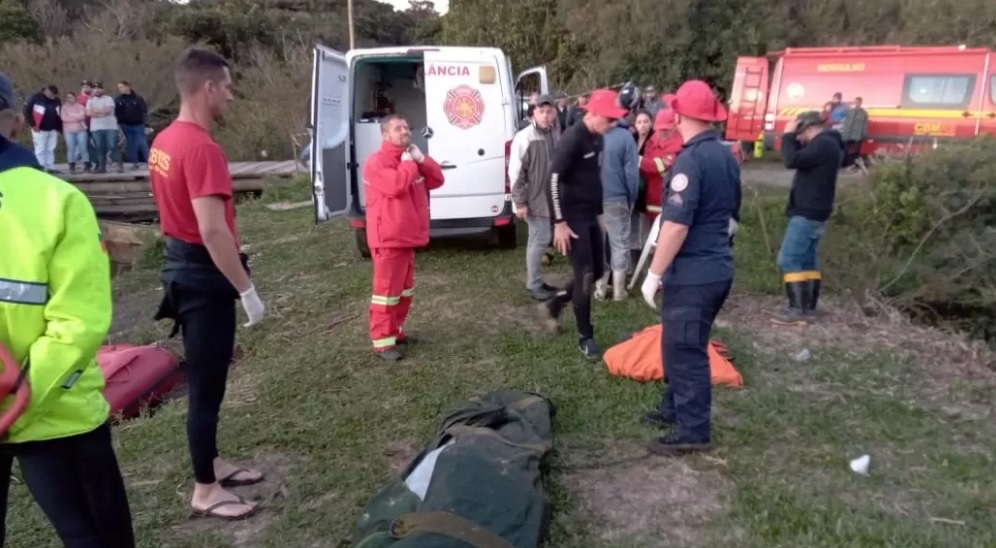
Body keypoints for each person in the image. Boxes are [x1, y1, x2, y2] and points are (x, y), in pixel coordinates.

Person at [0, 70, 136, 547]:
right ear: (16, 123)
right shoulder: (57, 200)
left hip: (38, 406)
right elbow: (78, 321)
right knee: (93, 537)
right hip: (56, 410)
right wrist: (16, 398)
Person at [149, 48, 267, 521]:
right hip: (203, 278)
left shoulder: (164, 140)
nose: (232, 97)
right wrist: (247, 289)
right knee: (206, 385)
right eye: (229, 88)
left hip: (182, 266)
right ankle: (205, 488)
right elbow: (213, 230)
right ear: (209, 88)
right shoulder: (202, 148)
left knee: (208, 384)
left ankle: (211, 462)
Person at [638, 80, 741, 455]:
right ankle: (673, 408)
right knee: (680, 342)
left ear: (679, 114)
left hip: (694, 273)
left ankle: (693, 430)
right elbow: (733, 216)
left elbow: (676, 225)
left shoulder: (690, 160)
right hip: (716, 268)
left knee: (686, 350)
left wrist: (653, 274)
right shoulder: (725, 155)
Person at [538, 89, 627, 359]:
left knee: (598, 269)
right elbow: (552, 180)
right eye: (610, 120)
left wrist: (599, 214)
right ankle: (585, 336)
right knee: (586, 274)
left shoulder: (597, 138)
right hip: (571, 216)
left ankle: (555, 304)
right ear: (595, 113)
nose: (613, 125)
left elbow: (593, 179)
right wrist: (559, 222)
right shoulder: (573, 138)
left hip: (590, 214)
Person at [363, 114, 445, 362]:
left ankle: (396, 332)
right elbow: (396, 185)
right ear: (386, 135)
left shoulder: (409, 158)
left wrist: (423, 159)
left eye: (407, 127)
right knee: (386, 293)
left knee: (404, 292)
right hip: (388, 240)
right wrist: (410, 164)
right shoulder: (376, 162)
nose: (405, 131)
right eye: (398, 128)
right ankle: (382, 343)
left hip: (406, 239)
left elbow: (437, 180)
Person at [771, 110, 843, 325]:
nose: (798, 139)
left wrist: (787, 135)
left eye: (799, 133)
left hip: (807, 211)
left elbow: (791, 160)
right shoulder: (830, 145)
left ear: (808, 128)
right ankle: (808, 308)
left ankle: (797, 311)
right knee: (807, 260)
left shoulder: (823, 145)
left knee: (789, 258)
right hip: (818, 210)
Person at [510, 94, 561, 301]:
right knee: (540, 240)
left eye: (549, 111)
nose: (546, 115)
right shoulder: (525, 137)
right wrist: (520, 202)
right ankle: (534, 285)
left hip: (549, 198)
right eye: (542, 111)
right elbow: (515, 173)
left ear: (555, 113)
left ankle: (537, 281)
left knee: (537, 240)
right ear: (534, 113)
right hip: (534, 199)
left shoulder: (554, 134)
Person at [594, 109, 638, 301]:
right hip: (617, 198)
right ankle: (619, 291)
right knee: (619, 243)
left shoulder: (593, 134)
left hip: (593, 199)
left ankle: (600, 289)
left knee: (599, 243)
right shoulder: (626, 137)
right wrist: (632, 197)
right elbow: (631, 173)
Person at [22, 85, 62, 173]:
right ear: (47, 91)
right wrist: (32, 124)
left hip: (52, 128)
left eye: (54, 95)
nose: (53, 97)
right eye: (52, 95)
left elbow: (59, 114)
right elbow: (26, 111)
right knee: (40, 149)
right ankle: (40, 167)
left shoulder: (56, 100)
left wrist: (59, 128)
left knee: (50, 149)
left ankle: (50, 167)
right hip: (39, 128)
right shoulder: (35, 97)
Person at [61, 91, 89, 173]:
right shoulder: (64, 108)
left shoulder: (80, 106)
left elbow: (83, 116)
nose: (69, 99)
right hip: (69, 131)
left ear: (75, 97)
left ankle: (87, 165)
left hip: (81, 130)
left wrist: (71, 116)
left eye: (71, 97)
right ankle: (71, 166)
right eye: (68, 97)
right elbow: (64, 118)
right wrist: (76, 117)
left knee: (83, 148)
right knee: (71, 149)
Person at [840, 97, 868, 169]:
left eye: (858, 102)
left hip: (857, 135)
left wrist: (864, 134)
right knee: (846, 149)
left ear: (861, 103)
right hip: (847, 134)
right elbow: (844, 118)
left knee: (856, 151)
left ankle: (854, 164)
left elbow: (865, 124)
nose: (857, 103)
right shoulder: (849, 111)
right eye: (855, 102)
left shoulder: (864, 113)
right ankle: (848, 164)